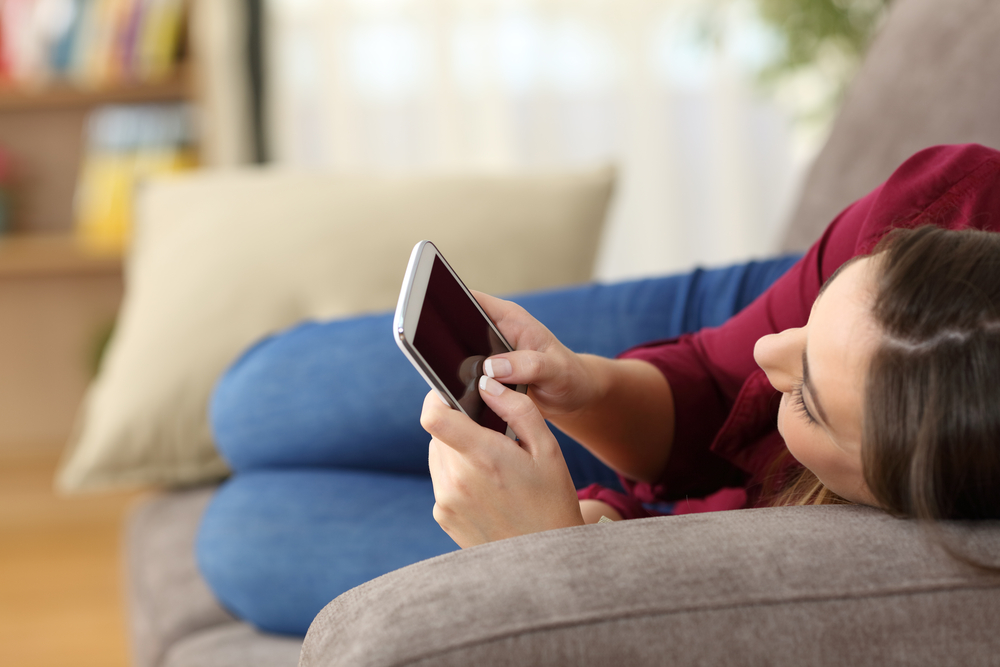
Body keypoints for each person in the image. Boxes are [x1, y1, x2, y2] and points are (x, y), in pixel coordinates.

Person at [198, 143, 1000, 635]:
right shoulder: (954, 204)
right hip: (737, 349)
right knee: (254, 399)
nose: (768, 353)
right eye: (819, 311)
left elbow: (700, 568)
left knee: (245, 536)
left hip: (686, 519)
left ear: (892, 493)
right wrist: (583, 386)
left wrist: (558, 562)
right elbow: (723, 374)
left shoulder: (890, 573)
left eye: (808, 399)